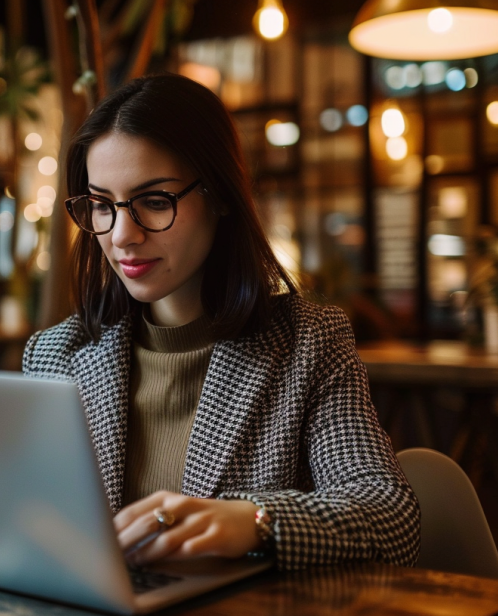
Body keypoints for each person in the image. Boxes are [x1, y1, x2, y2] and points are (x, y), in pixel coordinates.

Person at [22, 74, 419, 571]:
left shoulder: (308, 344)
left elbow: (390, 516)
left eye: (155, 201)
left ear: (221, 195)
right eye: (102, 205)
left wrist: (254, 521)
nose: (122, 235)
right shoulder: (56, 355)